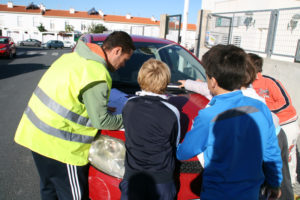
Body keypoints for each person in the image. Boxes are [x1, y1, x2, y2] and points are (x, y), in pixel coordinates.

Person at [14, 31, 135, 200]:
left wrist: (96, 105)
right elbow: (102, 121)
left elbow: (68, 94)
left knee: (49, 190)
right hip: (61, 148)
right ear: (117, 51)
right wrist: (131, 117)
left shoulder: (72, 59)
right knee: (74, 196)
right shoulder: (97, 73)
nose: (123, 65)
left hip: (36, 136)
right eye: (125, 59)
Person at [178, 53, 294, 199]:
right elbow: (271, 150)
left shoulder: (208, 115)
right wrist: (274, 183)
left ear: (213, 81)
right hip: (250, 192)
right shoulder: (260, 106)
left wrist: (176, 147)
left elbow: (185, 152)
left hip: (218, 192)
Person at [119, 59, 180, 200]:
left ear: (140, 78)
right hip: (161, 180)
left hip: (132, 177)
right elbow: (174, 144)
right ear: (166, 81)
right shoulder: (172, 111)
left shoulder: (129, 105)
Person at [250, 53, 300, 185]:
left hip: (286, 124)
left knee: (286, 157)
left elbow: (285, 102)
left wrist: (264, 108)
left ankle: (290, 186)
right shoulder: (246, 84)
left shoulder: (269, 82)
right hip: (273, 126)